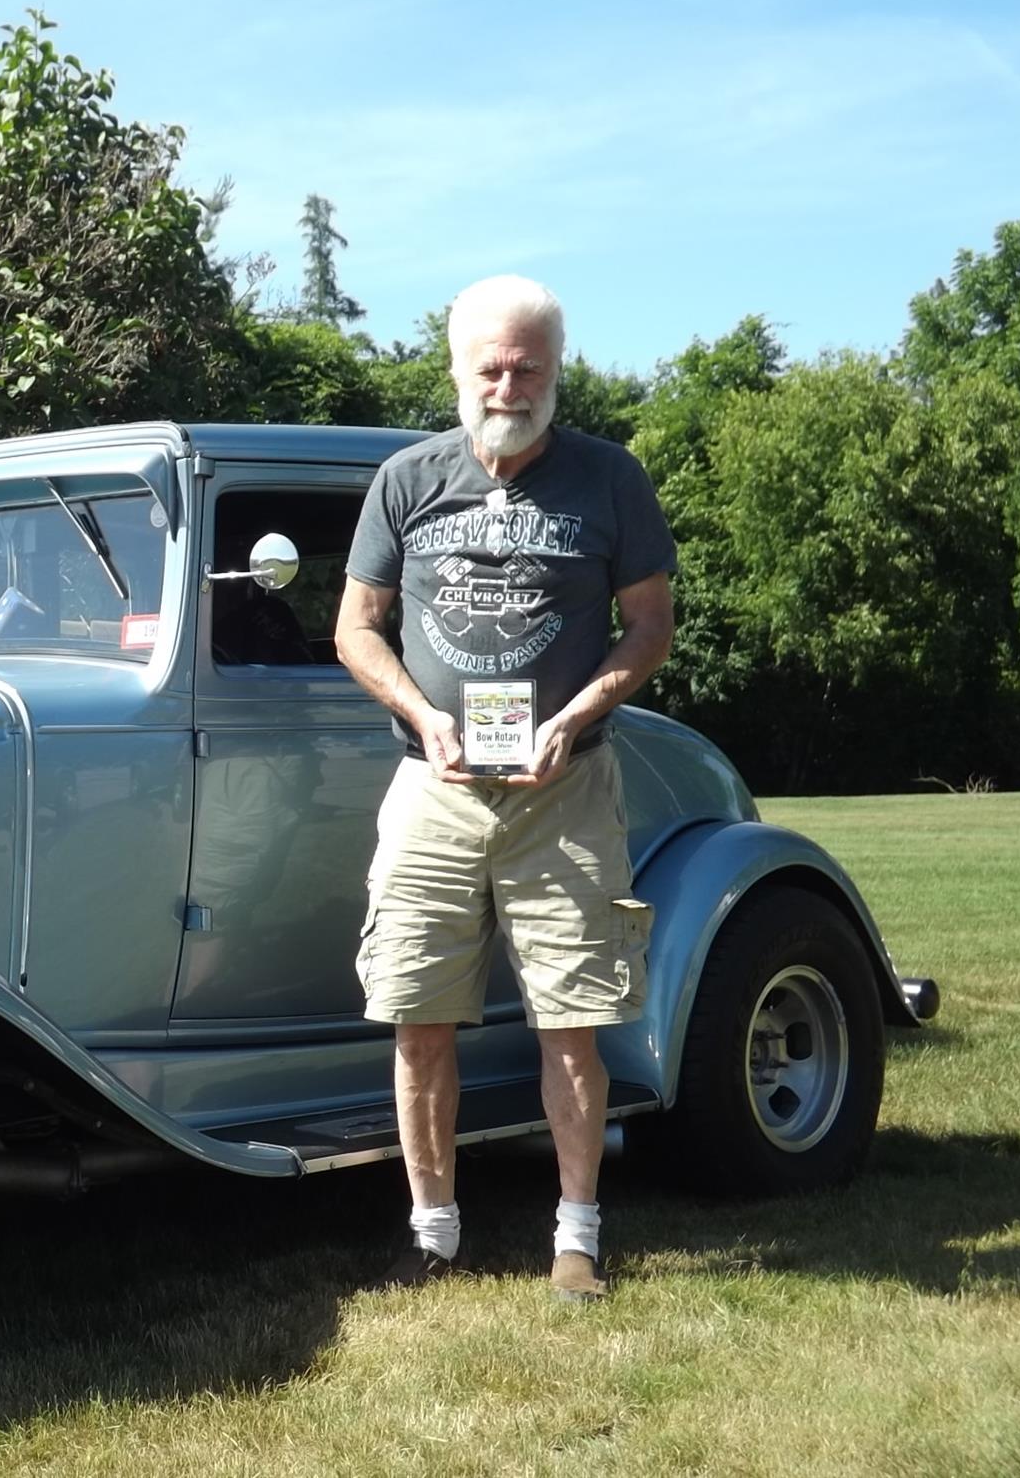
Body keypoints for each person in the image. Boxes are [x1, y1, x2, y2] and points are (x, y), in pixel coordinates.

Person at [334, 275, 676, 1302]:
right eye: (490, 366)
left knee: (571, 1020)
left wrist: (575, 717)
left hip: (564, 789)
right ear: (457, 369)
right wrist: (423, 715)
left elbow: (650, 625)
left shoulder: (609, 479)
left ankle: (578, 1237)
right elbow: (356, 627)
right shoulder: (406, 479)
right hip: (432, 785)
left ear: (557, 369)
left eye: (528, 366)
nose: (508, 385)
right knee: (416, 1016)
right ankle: (432, 1233)